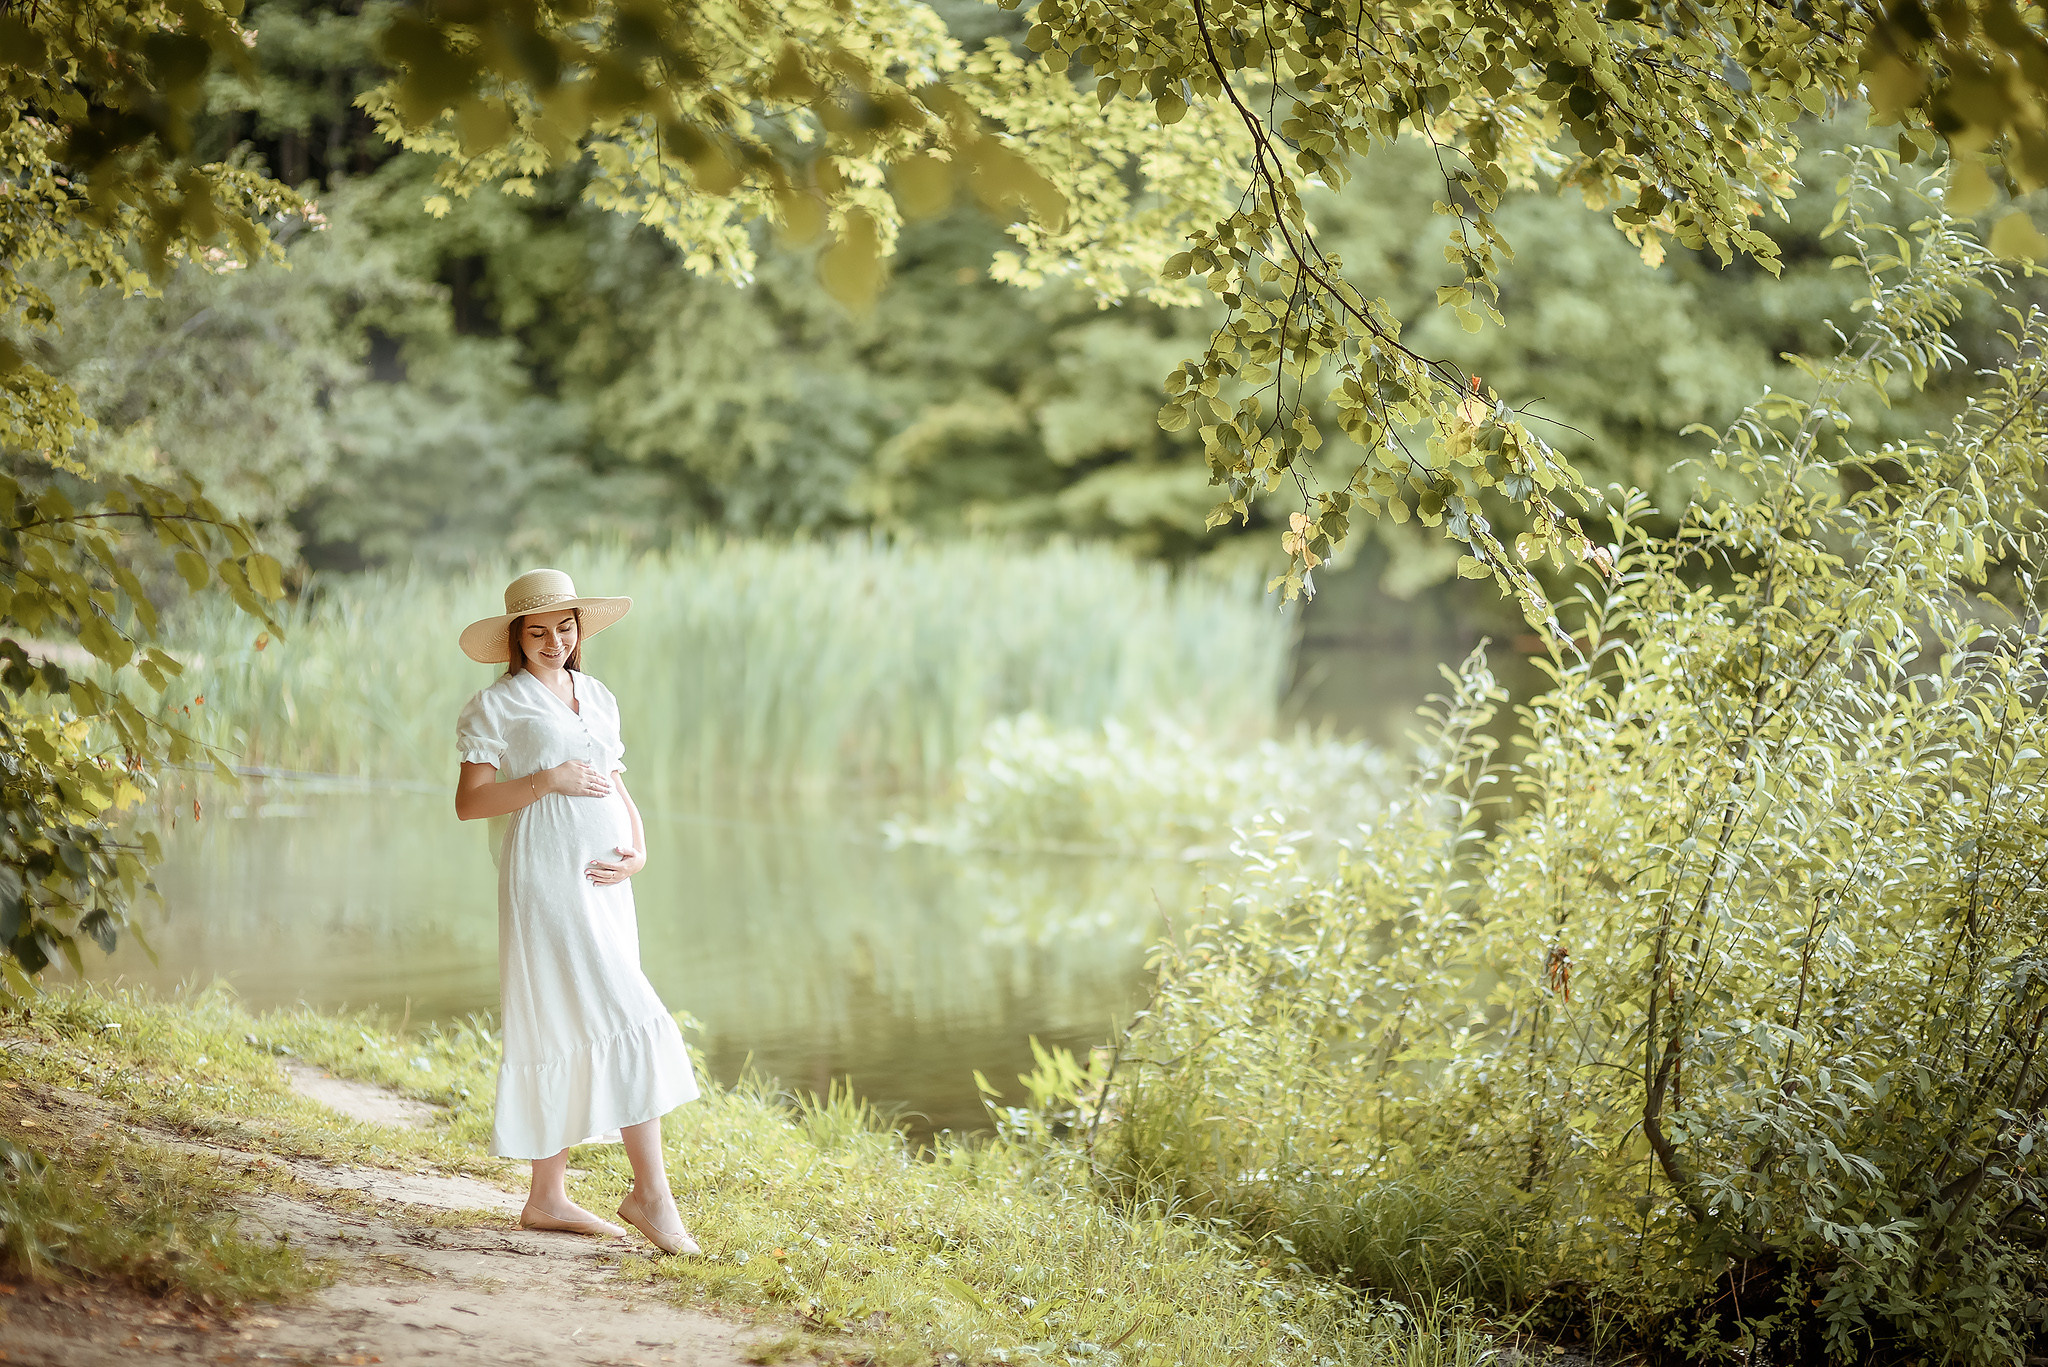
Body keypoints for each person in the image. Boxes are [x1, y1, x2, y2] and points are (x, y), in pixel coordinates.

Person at [453, 567, 701, 1255]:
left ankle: (546, 1197)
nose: (554, 642)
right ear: (516, 637)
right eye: (538, 631)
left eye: (564, 628)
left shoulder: (596, 694)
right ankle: (651, 1197)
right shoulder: (496, 705)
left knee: (577, 1014)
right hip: (545, 879)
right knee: (629, 1013)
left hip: (607, 883)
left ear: (578, 630)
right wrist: (545, 781)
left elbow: (618, 782)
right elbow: (470, 802)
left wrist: (640, 850)